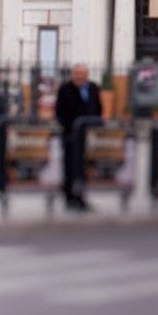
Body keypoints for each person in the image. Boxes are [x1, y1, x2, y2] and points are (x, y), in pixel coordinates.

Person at [54, 64, 102, 211]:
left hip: (88, 136)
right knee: (70, 168)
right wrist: (69, 129)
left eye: (82, 74)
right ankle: (69, 198)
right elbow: (59, 112)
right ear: (73, 75)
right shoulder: (65, 89)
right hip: (70, 136)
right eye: (77, 74)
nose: (79, 77)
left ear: (87, 75)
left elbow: (98, 108)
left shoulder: (93, 88)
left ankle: (81, 197)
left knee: (83, 167)